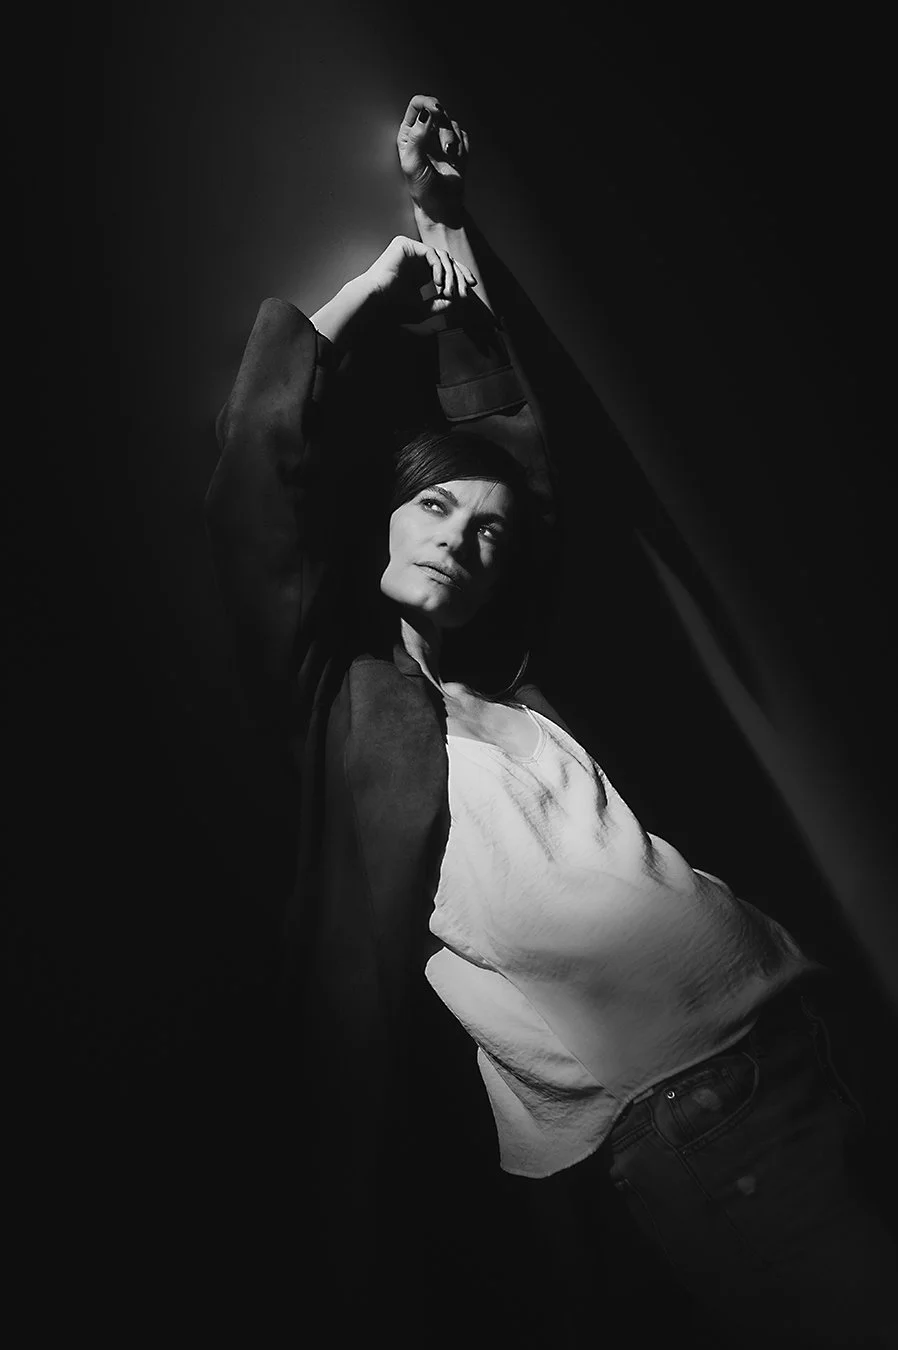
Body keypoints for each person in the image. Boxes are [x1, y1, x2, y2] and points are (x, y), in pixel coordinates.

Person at [205, 93, 898, 1347]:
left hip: (805, 1040)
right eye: (433, 510)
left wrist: (446, 215)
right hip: (700, 1121)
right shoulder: (341, 709)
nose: (459, 540)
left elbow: (513, 453)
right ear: (385, 519)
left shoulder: (521, 681)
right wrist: (370, 289)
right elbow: (257, 475)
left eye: (485, 536)